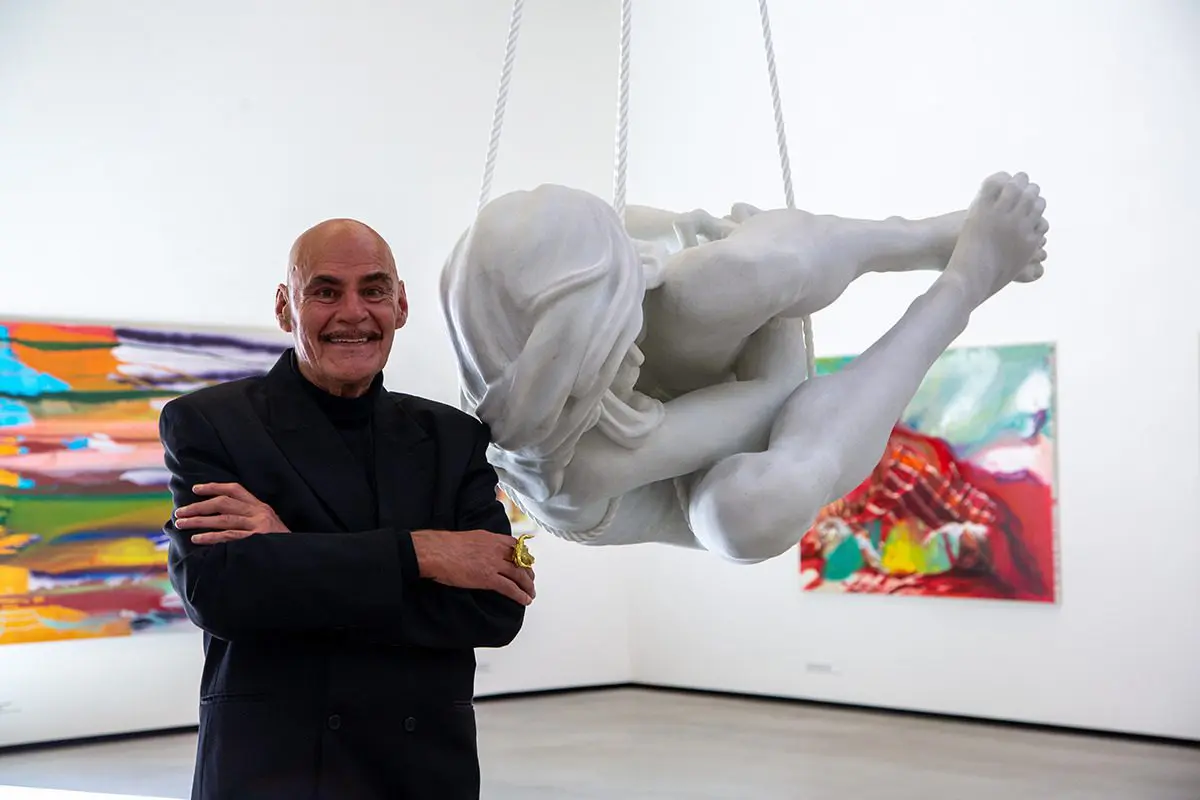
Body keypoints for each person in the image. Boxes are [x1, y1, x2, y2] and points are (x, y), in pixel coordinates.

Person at [439, 171, 1048, 562]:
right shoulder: (568, 470)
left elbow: (649, 234)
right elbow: (772, 394)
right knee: (755, 510)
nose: (635, 343)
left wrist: (726, 244)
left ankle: (926, 238)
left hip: (681, 379)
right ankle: (964, 286)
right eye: (615, 340)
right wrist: (776, 309)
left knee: (749, 271)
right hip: (691, 482)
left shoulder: (538, 258)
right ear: (563, 362)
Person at [158, 218, 534, 799]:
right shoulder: (212, 423)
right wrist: (422, 554)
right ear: (285, 306)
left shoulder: (453, 437)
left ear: (400, 304)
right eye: (326, 291)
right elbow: (221, 594)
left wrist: (289, 552)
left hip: (422, 772)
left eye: (374, 290)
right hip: (277, 772)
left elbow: (495, 610)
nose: (353, 312)